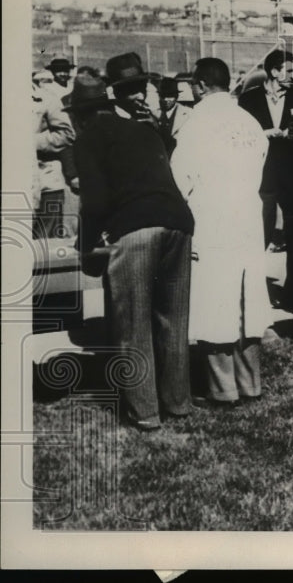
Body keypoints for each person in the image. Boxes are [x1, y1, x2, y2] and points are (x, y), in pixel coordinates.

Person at [70, 75, 195, 430]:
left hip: (136, 229)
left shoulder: (88, 138)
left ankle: (145, 414)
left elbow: (93, 203)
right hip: (179, 223)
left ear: (78, 115)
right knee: (173, 319)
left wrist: (86, 247)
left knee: (132, 324)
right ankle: (179, 405)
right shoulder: (142, 129)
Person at [171, 58, 270, 407]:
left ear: (199, 86)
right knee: (248, 301)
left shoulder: (195, 124)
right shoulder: (250, 122)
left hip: (212, 220)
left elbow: (180, 180)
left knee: (215, 301)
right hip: (247, 218)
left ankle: (223, 389)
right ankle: (251, 383)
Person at [238, 49, 293, 253]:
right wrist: (264, 134)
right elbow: (241, 135)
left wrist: (290, 134)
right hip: (261, 174)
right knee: (260, 230)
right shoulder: (248, 100)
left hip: (292, 174)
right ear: (275, 72)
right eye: (289, 71)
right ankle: (255, 281)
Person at [33, 70, 76, 239]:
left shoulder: (45, 98)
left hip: (45, 181)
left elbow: (66, 134)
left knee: (44, 245)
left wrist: (29, 142)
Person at [105, 52, 157, 125]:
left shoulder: (148, 116)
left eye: (142, 88)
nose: (141, 97)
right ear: (117, 93)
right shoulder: (112, 122)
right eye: (132, 91)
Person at [152, 76, 194, 157]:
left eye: (170, 96)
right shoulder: (154, 114)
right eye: (163, 96)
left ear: (176, 96)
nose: (166, 99)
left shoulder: (188, 114)